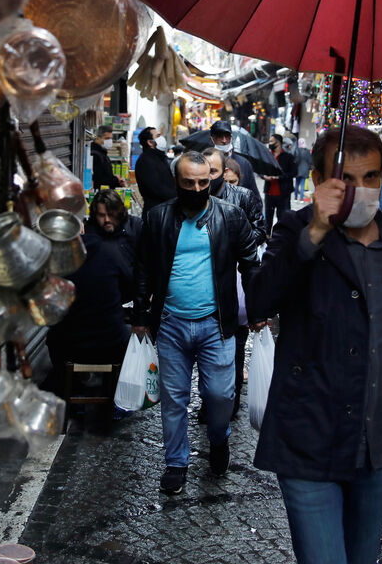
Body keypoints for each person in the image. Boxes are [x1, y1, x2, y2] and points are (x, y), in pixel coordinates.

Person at [247, 126, 382, 564]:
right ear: (317, 179)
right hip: (311, 440)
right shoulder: (295, 230)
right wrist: (312, 232)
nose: (362, 190)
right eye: (347, 178)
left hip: (377, 444)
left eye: (371, 177)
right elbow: (258, 301)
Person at [135, 151, 262, 495]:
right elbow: (144, 267)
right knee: (174, 399)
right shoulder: (158, 218)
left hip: (216, 324)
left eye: (204, 182)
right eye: (189, 182)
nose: (197, 188)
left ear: (212, 182)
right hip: (172, 324)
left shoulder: (232, 217)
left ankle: (219, 439)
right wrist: (142, 316)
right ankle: (176, 462)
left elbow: (251, 263)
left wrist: (259, 309)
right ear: (177, 182)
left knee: (221, 395)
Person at [48, 190, 140, 399]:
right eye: (101, 215)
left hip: (78, 338)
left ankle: (68, 389)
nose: (107, 219)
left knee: (54, 338)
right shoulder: (104, 250)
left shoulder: (126, 235)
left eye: (111, 214)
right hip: (105, 339)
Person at [202, 147, 265, 419]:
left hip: (236, 283)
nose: (207, 178)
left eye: (213, 172)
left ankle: (232, 400)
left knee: (235, 346)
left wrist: (235, 238)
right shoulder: (192, 199)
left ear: (224, 171)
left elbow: (261, 230)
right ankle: (208, 400)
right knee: (206, 350)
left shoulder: (243, 197)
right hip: (203, 287)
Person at [210, 120, 259, 197]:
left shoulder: (244, 164)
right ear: (213, 139)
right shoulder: (206, 163)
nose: (224, 140)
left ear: (231, 137)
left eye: (227, 136)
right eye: (220, 136)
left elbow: (255, 196)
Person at [135, 126, 177, 212]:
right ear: (150, 142)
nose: (161, 138)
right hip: (156, 211)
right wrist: (177, 196)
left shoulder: (159, 157)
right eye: (158, 136)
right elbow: (157, 189)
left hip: (165, 209)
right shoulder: (145, 161)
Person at [263, 133, 297, 235]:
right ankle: (267, 237)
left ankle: (280, 238)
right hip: (269, 193)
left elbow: (294, 172)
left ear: (279, 143)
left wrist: (279, 177)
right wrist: (264, 176)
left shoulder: (288, 157)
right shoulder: (267, 156)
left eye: (271, 141)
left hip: (284, 193)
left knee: (283, 218)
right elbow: (261, 170)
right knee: (268, 218)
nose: (269, 144)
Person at [90, 125, 122, 191]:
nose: (110, 141)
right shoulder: (94, 155)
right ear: (98, 138)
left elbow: (105, 174)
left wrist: (114, 177)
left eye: (111, 138)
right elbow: (98, 179)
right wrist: (116, 180)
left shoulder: (103, 153)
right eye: (107, 138)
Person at [294, 138, 313, 202]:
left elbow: (295, 161)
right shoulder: (307, 151)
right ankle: (301, 199)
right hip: (305, 170)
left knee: (296, 184)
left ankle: (295, 198)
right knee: (302, 185)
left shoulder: (297, 150)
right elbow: (310, 161)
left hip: (297, 170)